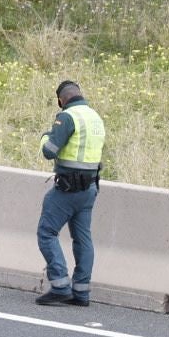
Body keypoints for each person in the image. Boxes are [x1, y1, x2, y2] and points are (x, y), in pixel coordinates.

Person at [35, 80, 104, 307]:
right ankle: (81, 293)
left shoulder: (67, 117)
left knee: (46, 232)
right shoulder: (95, 118)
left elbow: (49, 151)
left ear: (61, 100)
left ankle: (60, 286)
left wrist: (46, 136)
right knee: (82, 239)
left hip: (67, 189)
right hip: (89, 189)